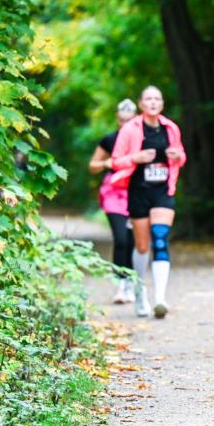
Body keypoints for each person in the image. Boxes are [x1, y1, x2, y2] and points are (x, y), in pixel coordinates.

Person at [109, 86, 187, 319]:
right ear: (141, 104)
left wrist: (177, 156)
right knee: (142, 246)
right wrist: (136, 158)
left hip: (164, 190)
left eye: (157, 99)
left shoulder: (170, 128)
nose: (153, 102)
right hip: (138, 190)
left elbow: (181, 155)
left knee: (161, 239)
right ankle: (140, 292)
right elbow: (115, 161)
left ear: (162, 104)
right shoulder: (131, 129)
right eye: (148, 99)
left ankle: (160, 299)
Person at [89, 99, 138, 304]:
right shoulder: (110, 140)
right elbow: (92, 165)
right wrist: (106, 163)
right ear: (117, 120)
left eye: (129, 120)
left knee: (133, 241)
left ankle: (131, 284)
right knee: (121, 239)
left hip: (136, 192)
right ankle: (119, 284)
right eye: (121, 120)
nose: (124, 124)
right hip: (114, 193)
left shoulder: (142, 139)